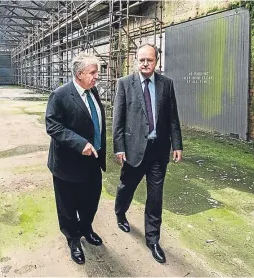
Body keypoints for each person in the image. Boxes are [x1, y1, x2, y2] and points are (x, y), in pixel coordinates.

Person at [112, 43, 183, 263]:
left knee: (155, 197)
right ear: (136, 60)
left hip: (158, 151)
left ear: (156, 62)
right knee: (127, 187)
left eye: (149, 60)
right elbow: (118, 120)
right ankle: (120, 212)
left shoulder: (166, 84)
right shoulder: (124, 84)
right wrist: (119, 148)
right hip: (133, 150)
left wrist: (177, 145)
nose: (145, 64)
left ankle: (153, 240)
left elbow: (173, 117)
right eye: (141, 60)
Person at [45, 52, 106, 265]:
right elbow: (53, 126)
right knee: (68, 206)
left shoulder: (93, 91)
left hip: (93, 160)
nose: (97, 76)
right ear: (79, 74)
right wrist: (81, 144)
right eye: (93, 72)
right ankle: (73, 240)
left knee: (91, 201)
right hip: (68, 164)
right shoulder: (60, 95)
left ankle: (86, 228)